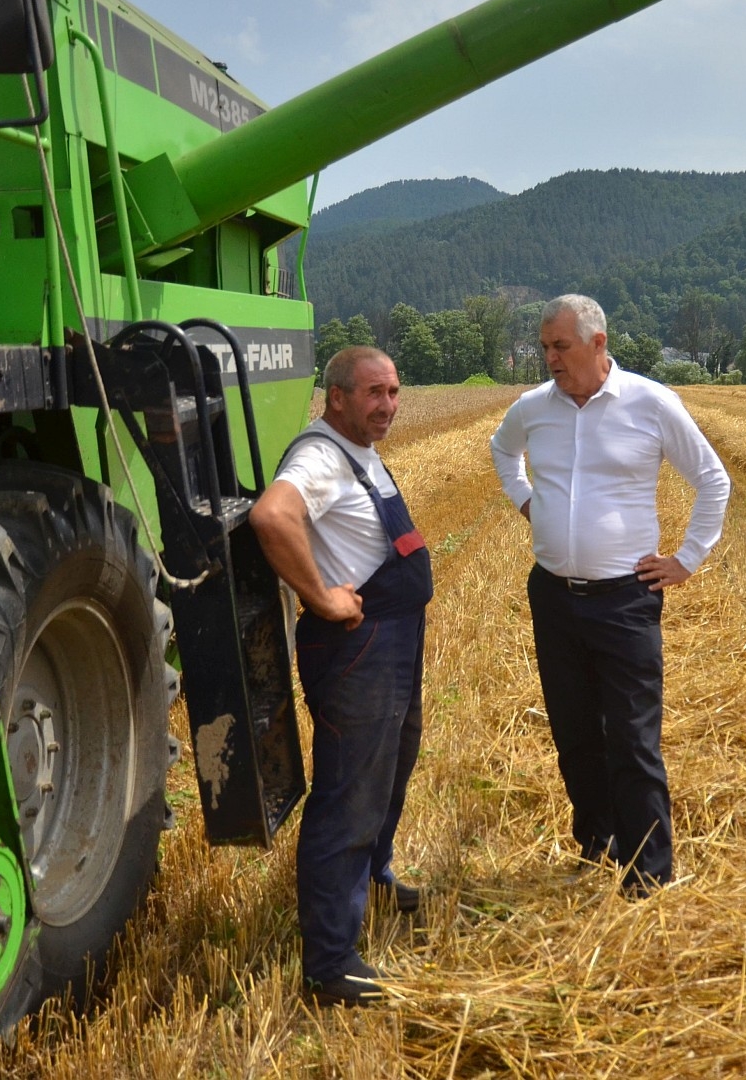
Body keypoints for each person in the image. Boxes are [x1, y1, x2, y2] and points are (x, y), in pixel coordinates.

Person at [489, 295, 730, 895]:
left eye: (560, 346)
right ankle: (598, 847)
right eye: (545, 346)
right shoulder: (532, 409)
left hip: (625, 600)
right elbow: (501, 450)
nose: (549, 358)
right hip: (553, 595)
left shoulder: (650, 402)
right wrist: (526, 501)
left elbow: (711, 480)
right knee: (574, 733)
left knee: (630, 736)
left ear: (598, 344)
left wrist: (687, 559)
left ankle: (649, 874)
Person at [249, 345, 431, 1006]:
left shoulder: (360, 451)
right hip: (358, 650)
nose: (387, 405)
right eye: (373, 393)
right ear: (337, 397)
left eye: (394, 391)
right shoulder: (321, 455)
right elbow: (272, 516)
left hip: (394, 640)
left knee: (388, 772)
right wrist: (322, 596)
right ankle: (330, 962)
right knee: (348, 796)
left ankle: (373, 878)